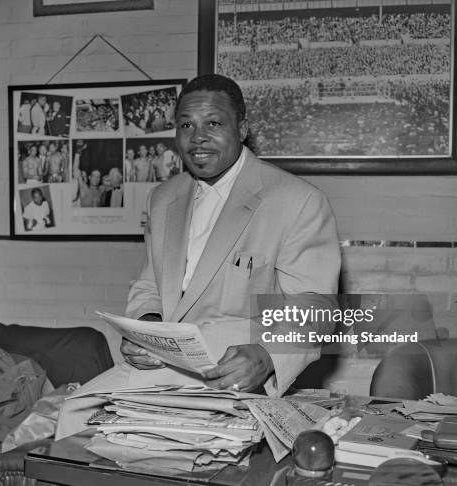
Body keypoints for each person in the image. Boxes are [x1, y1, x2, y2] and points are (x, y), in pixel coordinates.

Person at [56, 74, 340, 439]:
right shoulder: (163, 198)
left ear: (243, 129)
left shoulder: (296, 200)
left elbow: (315, 304)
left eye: (214, 123)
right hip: (160, 369)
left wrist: (269, 356)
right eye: (186, 124)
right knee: (73, 416)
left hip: (236, 380)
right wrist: (148, 325)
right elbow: (149, 285)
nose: (198, 137)